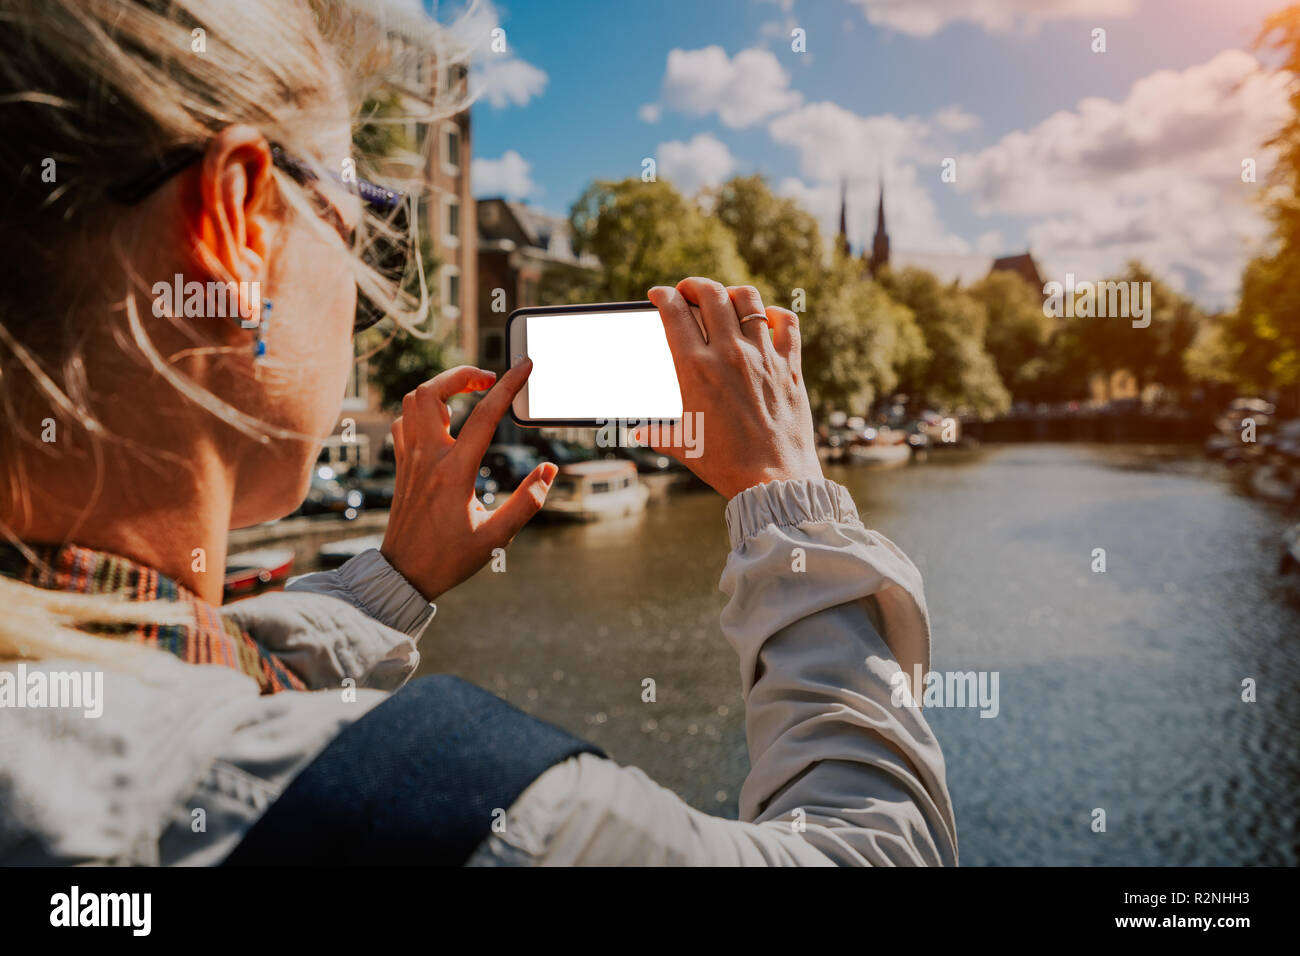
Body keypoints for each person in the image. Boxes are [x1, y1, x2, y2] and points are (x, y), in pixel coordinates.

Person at [0, 0, 956, 866]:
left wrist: (390, 584)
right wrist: (790, 501)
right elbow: (879, 852)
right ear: (236, 227)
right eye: (366, 220)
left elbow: (176, 673)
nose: (375, 288)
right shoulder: (465, 816)